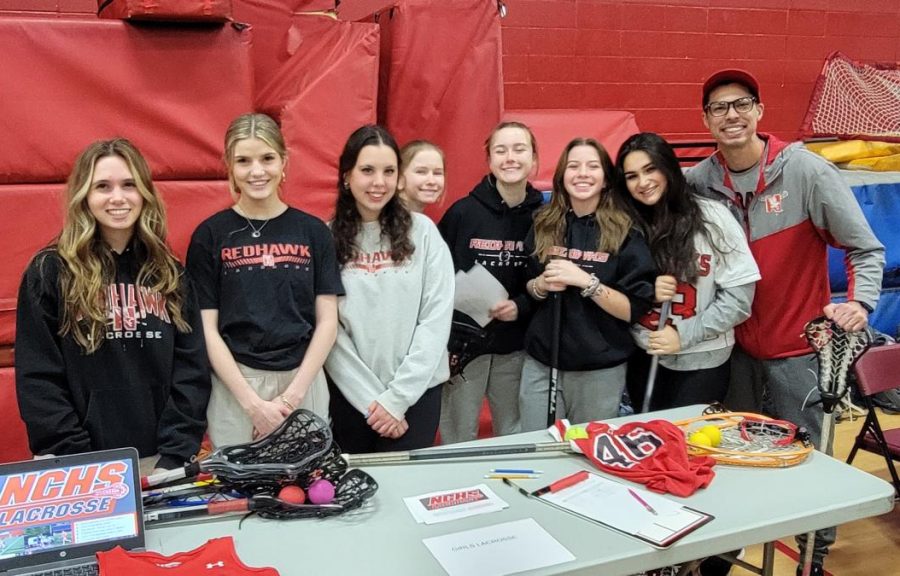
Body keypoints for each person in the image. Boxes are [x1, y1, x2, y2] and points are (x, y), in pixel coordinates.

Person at [687, 69, 885, 576]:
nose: (731, 115)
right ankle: (721, 556)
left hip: (798, 349)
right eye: (718, 107)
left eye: (741, 104)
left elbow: (865, 249)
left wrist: (860, 303)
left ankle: (811, 561)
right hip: (735, 352)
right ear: (706, 119)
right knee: (732, 463)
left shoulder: (806, 172)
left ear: (758, 112)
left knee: (807, 464)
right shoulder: (700, 181)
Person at [15, 138, 210, 474]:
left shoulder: (170, 275)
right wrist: (76, 456)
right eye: (103, 186)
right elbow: (38, 379)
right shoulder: (49, 272)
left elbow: (191, 372)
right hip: (76, 464)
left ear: (144, 193)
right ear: (84, 196)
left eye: (129, 185)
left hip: (158, 461)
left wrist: (174, 455)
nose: (118, 198)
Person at [187, 113, 342, 448]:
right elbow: (207, 330)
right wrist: (253, 405)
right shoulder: (210, 235)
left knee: (304, 492)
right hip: (237, 386)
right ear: (229, 165)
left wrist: (290, 399)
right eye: (244, 161)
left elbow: (328, 321)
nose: (257, 171)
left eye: (267, 158)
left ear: (284, 162)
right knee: (243, 493)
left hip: (303, 382)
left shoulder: (314, 231)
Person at [325, 124, 454, 453]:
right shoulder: (325, 239)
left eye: (388, 171)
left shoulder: (424, 233)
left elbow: (435, 319)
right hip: (352, 399)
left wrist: (397, 399)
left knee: (407, 497)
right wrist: (372, 401)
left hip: (417, 396)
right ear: (346, 176)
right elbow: (329, 332)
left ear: (399, 178)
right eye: (367, 170)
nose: (378, 182)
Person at [617, 132, 760, 412]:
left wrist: (684, 335)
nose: (643, 183)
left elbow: (740, 300)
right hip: (643, 354)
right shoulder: (624, 224)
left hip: (702, 358)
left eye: (650, 169)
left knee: (688, 446)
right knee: (651, 442)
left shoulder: (713, 218)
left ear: (668, 166)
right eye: (632, 176)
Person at [519, 138, 655, 431]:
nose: (582, 173)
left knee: (588, 453)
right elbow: (526, 289)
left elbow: (633, 309)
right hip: (543, 365)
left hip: (599, 371)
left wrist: (585, 281)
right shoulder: (543, 223)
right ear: (562, 176)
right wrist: (540, 285)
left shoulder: (626, 232)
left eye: (592, 167)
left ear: (606, 179)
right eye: (573, 166)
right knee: (535, 447)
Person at [437, 121, 544, 444]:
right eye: (501, 150)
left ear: (534, 159)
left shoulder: (546, 216)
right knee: (458, 434)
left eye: (519, 149)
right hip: (465, 348)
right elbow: (438, 278)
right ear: (489, 160)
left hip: (517, 346)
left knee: (513, 433)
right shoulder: (462, 213)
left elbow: (551, 279)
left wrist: (522, 306)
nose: (510, 158)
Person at [398, 140, 446, 213]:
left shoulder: (420, 221)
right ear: (399, 178)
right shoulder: (386, 219)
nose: (432, 181)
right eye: (421, 172)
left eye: (437, 173)